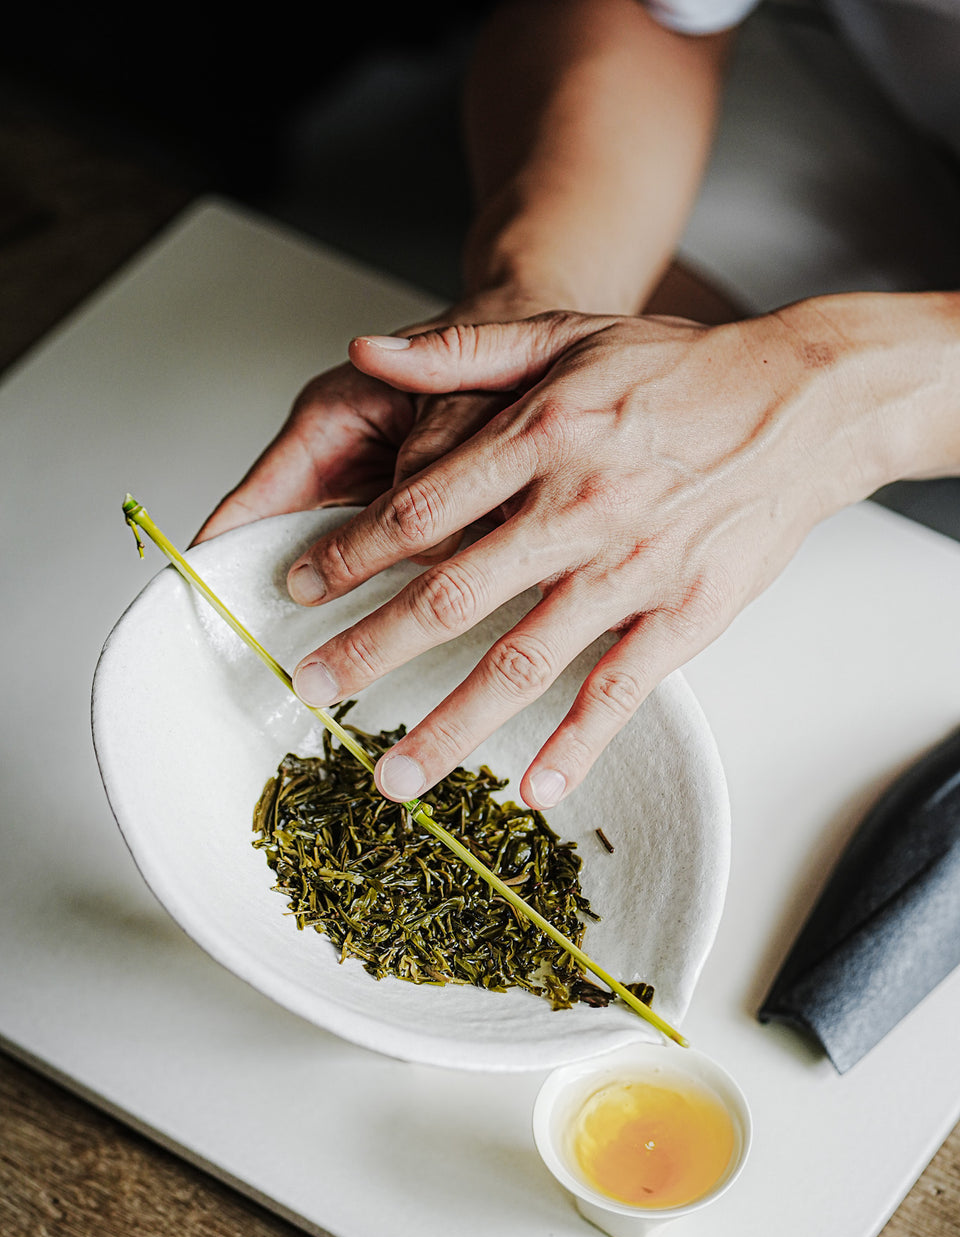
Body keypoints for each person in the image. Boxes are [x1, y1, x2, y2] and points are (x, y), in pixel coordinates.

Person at [196, 0, 960, 812]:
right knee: (647, 358)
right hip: (878, 98)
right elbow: (649, 15)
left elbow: (830, 393)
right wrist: (542, 309)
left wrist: (835, 397)